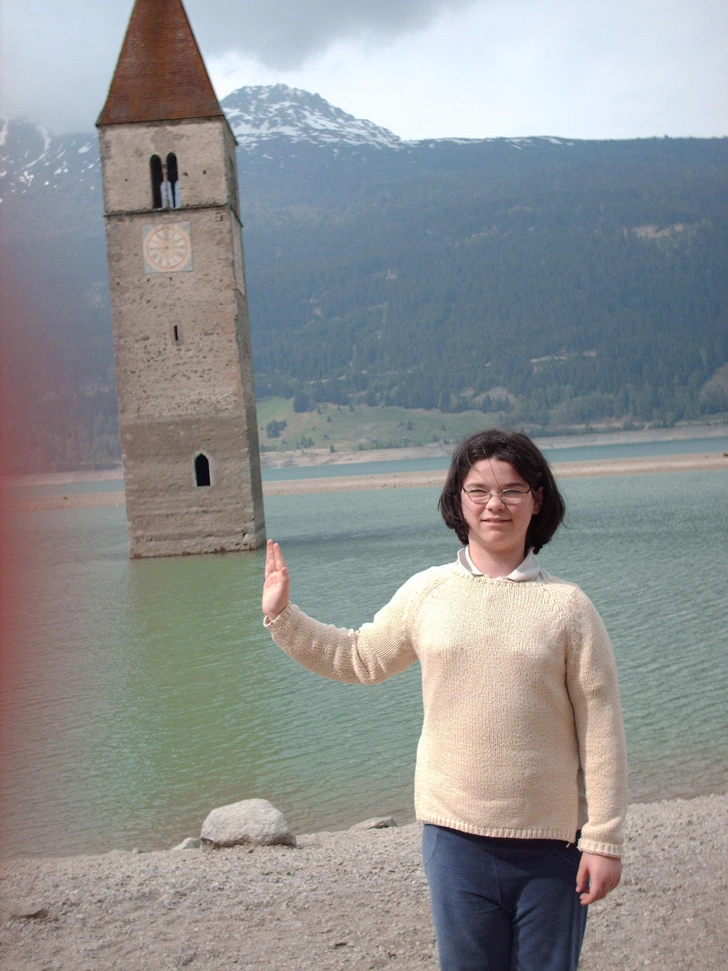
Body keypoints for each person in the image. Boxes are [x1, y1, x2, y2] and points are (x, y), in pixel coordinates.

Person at [262, 428, 628, 971]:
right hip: (454, 840)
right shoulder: (428, 592)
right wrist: (282, 617)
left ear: (537, 500)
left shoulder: (568, 608)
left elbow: (601, 728)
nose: (495, 504)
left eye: (512, 490)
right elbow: (359, 657)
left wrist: (604, 840)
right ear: (459, 500)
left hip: (553, 845)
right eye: (479, 490)